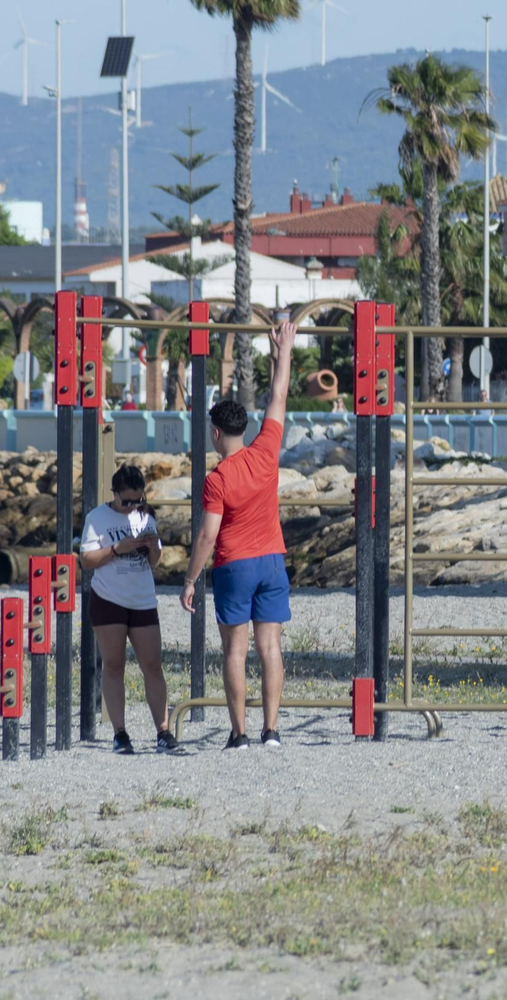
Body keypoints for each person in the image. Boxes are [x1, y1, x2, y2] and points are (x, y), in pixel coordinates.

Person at [181, 321, 297, 750]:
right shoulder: (266, 451)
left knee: (235, 651)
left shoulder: (217, 479)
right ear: (243, 429)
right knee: (270, 647)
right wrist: (284, 350)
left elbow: (207, 537)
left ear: (215, 433)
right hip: (272, 562)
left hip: (235, 565)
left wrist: (190, 579)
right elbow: (279, 396)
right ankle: (272, 731)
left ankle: (240, 733)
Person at [79, 465, 183, 755]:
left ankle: (163, 731)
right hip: (108, 598)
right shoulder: (97, 518)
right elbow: (86, 560)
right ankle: (120, 733)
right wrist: (116, 549)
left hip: (143, 599)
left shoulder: (146, 515)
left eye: (138, 500)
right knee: (114, 664)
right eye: (126, 501)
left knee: (153, 665)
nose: (132, 507)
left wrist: (152, 547)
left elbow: (155, 562)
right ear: (114, 494)